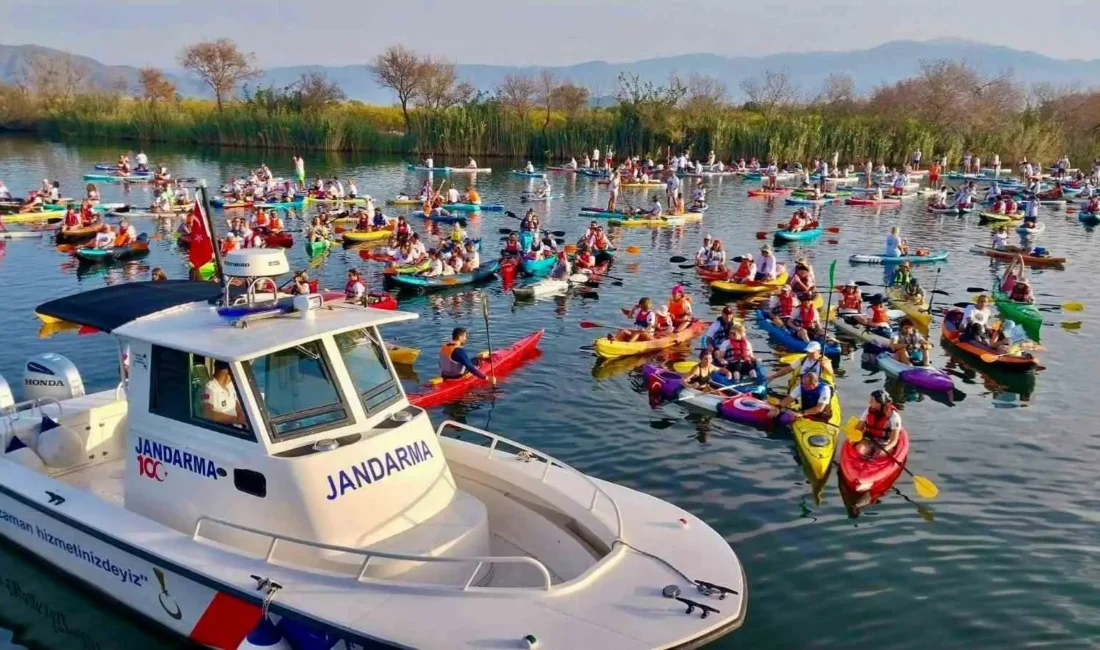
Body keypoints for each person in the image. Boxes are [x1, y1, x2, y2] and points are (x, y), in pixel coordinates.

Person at [852, 390, 901, 456]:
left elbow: (893, 440)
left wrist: (884, 450)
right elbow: (858, 427)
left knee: (881, 455)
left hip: (885, 443)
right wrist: (856, 435)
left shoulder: (894, 416)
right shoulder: (868, 411)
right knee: (860, 450)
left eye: (872, 400)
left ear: (879, 403)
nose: (869, 402)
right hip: (870, 440)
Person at [769, 372, 833, 422]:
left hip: (821, 414)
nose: (803, 386)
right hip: (805, 412)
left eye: (806, 385)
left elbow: (819, 409)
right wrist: (777, 407)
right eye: (803, 383)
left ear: (813, 384)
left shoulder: (825, 389)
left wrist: (801, 413)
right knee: (783, 419)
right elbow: (789, 399)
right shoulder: (802, 386)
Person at [201, 361, 246, 426]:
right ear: (229, 371)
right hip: (223, 428)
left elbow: (234, 401)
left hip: (237, 426)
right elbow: (207, 413)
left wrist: (241, 416)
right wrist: (236, 420)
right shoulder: (209, 388)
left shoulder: (230, 385)